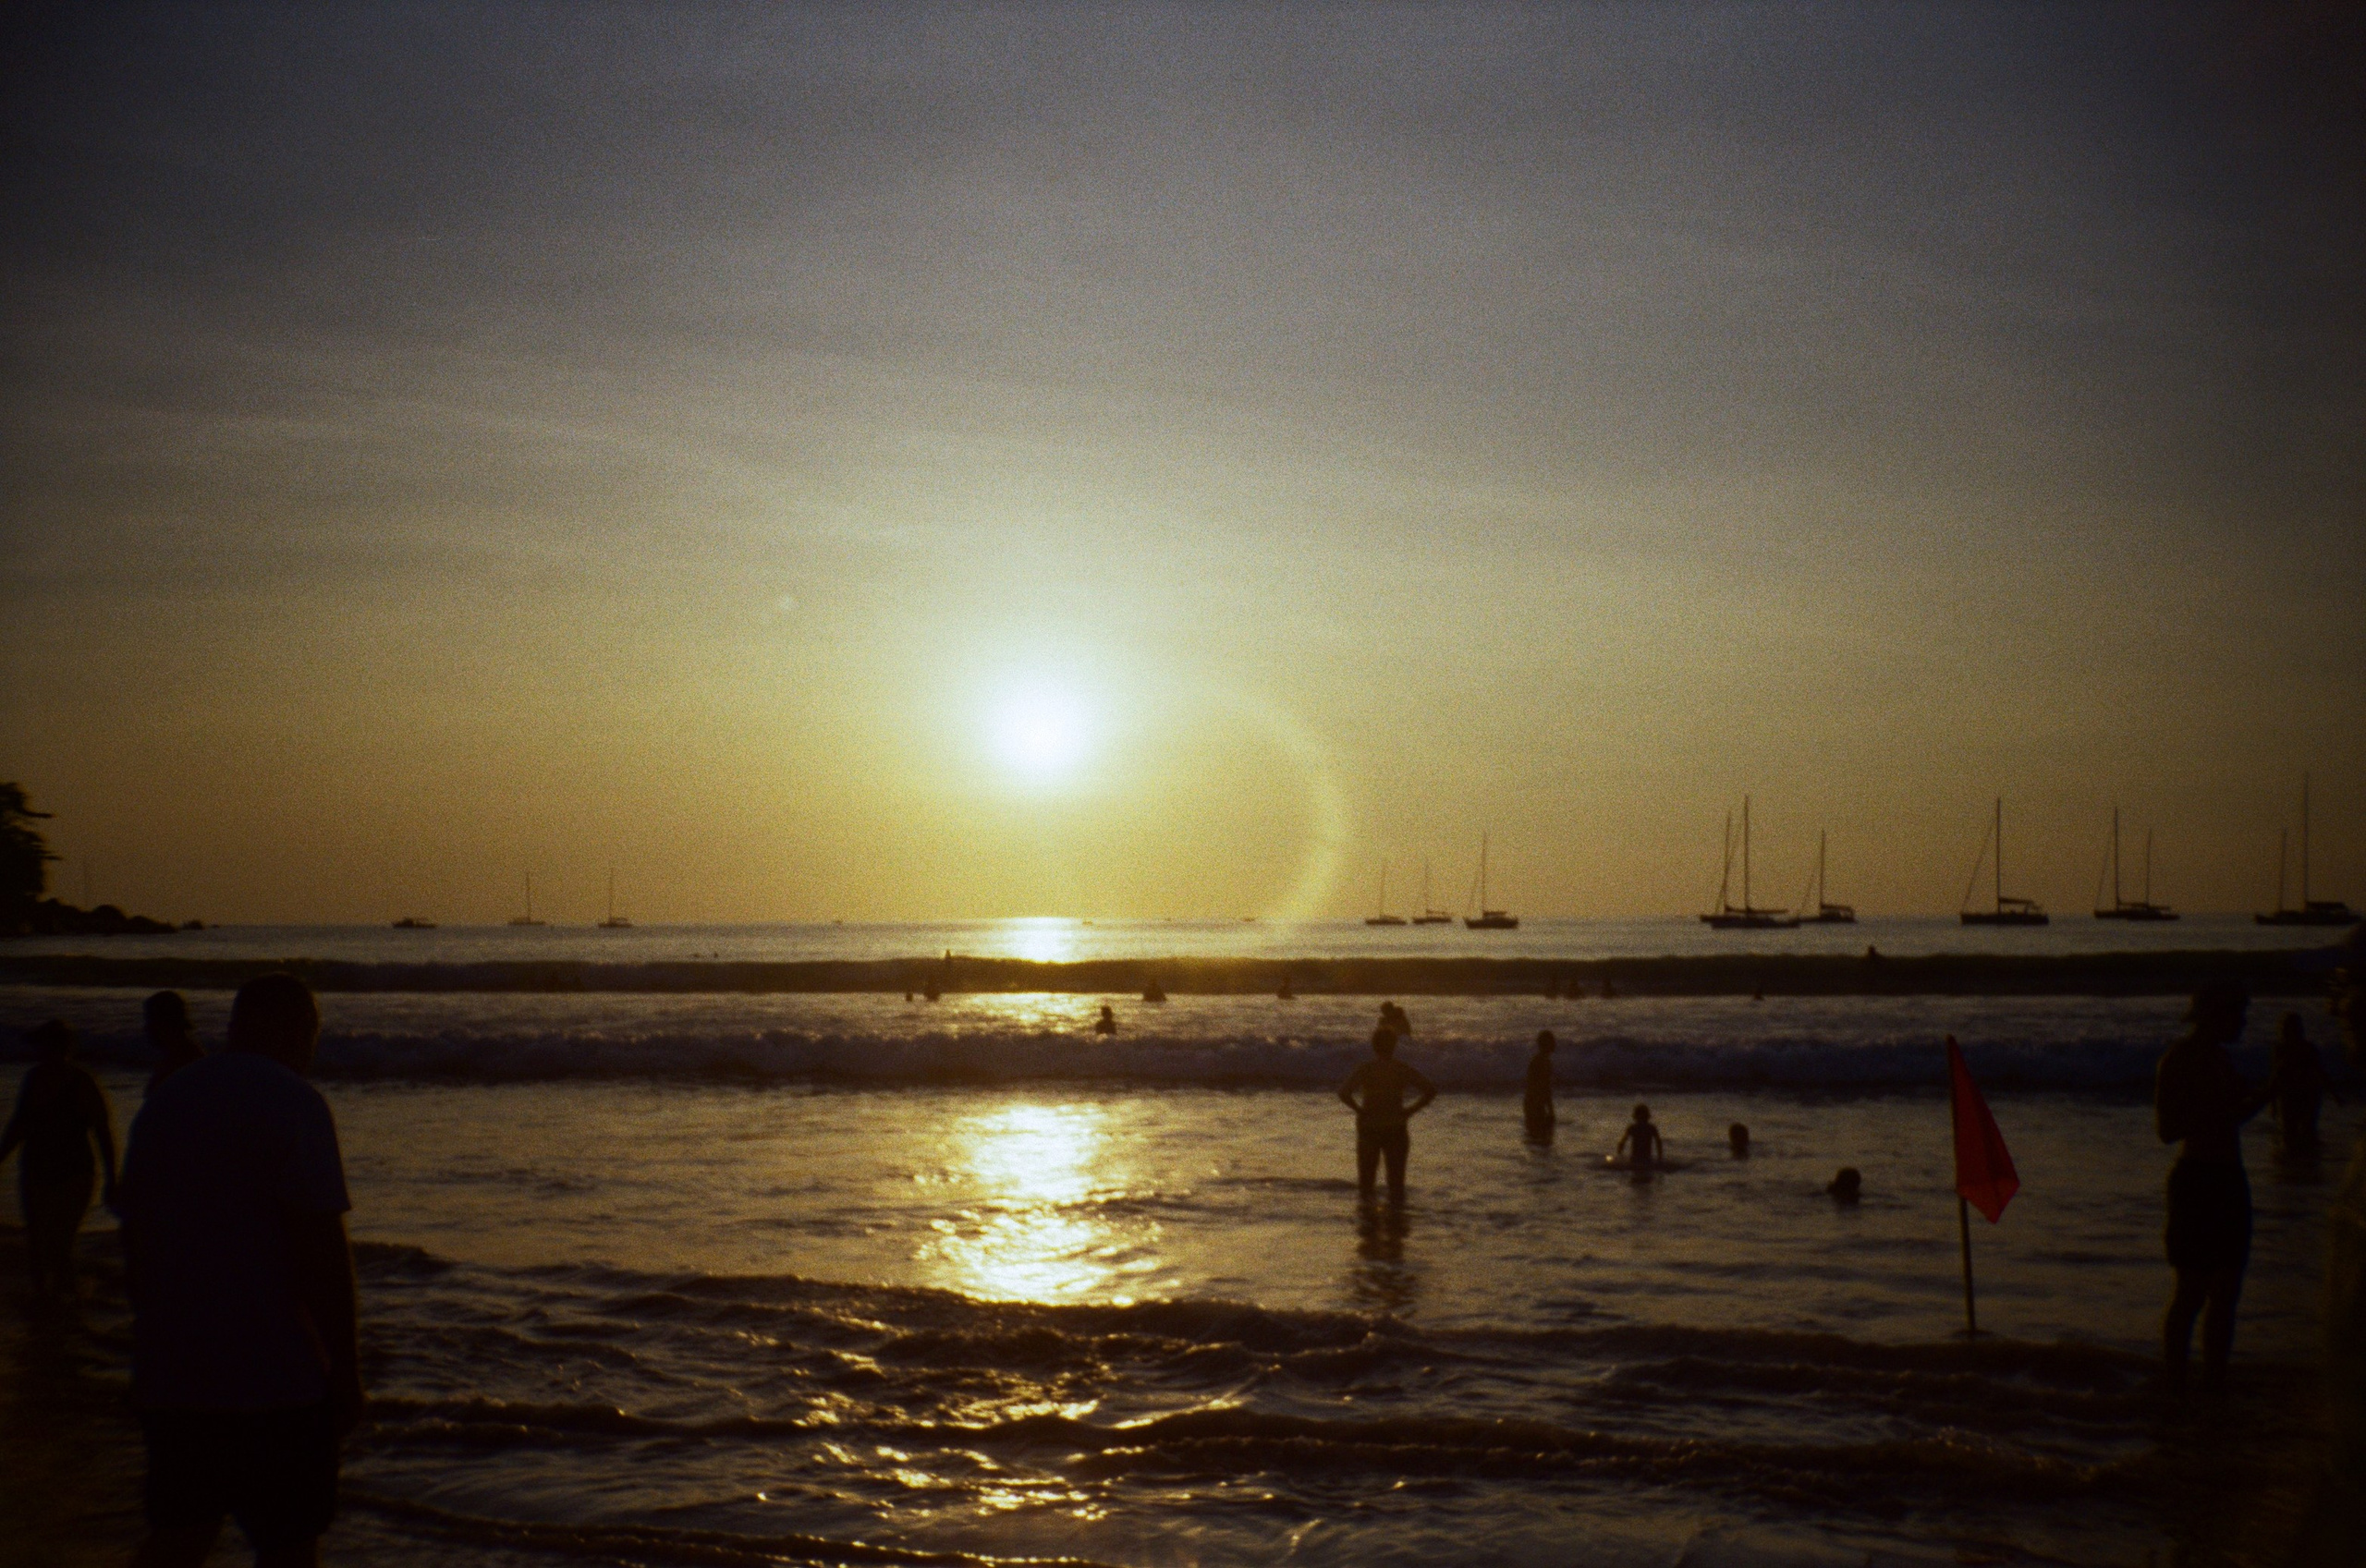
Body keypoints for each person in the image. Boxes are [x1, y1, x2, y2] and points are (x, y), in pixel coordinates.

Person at [118, 973, 361, 1568]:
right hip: (273, 1379)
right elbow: (320, 1251)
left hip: (173, 1374)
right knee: (289, 1546)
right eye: (313, 1033)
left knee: (180, 1536)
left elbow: (137, 1241)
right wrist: (346, 1369)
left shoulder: (166, 1101)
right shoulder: (294, 1102)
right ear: (297, 1029)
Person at [2154, 979, 2274, 1394]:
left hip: (2228, 1179)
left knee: (2227, 1293)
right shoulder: (2179, 1060)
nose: (2242, 1024)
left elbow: (2232, 1118)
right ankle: (2175, 1381)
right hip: (2197, 1180)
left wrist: (2271, 1090)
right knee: (2191, 1292)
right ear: (2213, 1017)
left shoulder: (2223, 1062)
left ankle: (2214, 1383)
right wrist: (2218, 1110)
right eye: (2235, 1015)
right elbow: (2167, 1130)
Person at [0, 1019, 117, 1304]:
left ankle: (68, 1302)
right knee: (37, 1245)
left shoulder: (82, 1083)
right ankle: (47, 1307)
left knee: (60, 1244)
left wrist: (112, 1178)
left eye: (43, 1046)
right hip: (36, 1171)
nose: (39, 1053)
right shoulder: (33, 1079)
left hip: (74, 1174)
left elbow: (102, 1131)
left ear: (60, 1048)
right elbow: (19, 1125)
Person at [1337, 1026, 1436, 1204]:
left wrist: (1359, 1109)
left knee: (1366, 1185)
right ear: (1394, 1046)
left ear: (1374, 1046)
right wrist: (1410, 1111)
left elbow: (1343, 1093)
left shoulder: (1366, 1069)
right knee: (1396, 1184)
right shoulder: (1401, 1069)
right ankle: (1396, 1223)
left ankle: (1368, 1223)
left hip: (1369, 1127)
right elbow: (1430, 1090)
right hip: (1396, 1127)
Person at [2271, 1011, 2340, 1165]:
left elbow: (2320, 1072)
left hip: (2307, 1094)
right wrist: (2273, 1104)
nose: (2283, 1032)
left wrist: (2334, 1093)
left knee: (2306, 1129)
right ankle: (2297, 1162)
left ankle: (2302, 1164)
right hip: (2290, 1095)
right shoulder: (2280, 1049)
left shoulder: (2306, 1049)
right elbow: (2274, 1077)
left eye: (2286, 1028)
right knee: (2290, 1131)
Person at [145, 990, 204, 1093]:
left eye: (150, 1021)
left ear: (164, 1023)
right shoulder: (190, 1055)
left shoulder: (178, 1064)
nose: (146, 1028)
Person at [1522, 1031, 1556, 1141]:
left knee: (1537, 1136)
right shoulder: (1542, 1062)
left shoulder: (1540, 1060)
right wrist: (1551, 1111)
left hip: (1532, 1102)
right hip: (1535, 1104)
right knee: (1542, 1137)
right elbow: (1545, 1088)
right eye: (1552, 1042)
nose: (1555, 1044)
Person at [1616, 1104, 1662, 1173]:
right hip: (1640, 1158)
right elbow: (1623, 1142)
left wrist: (1620, 1154)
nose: (1642, 1119)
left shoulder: (1649, 1128)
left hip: (1643, 1157)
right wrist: (1660, 1157)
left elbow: (1622, 1142)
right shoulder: (1636, 1128)